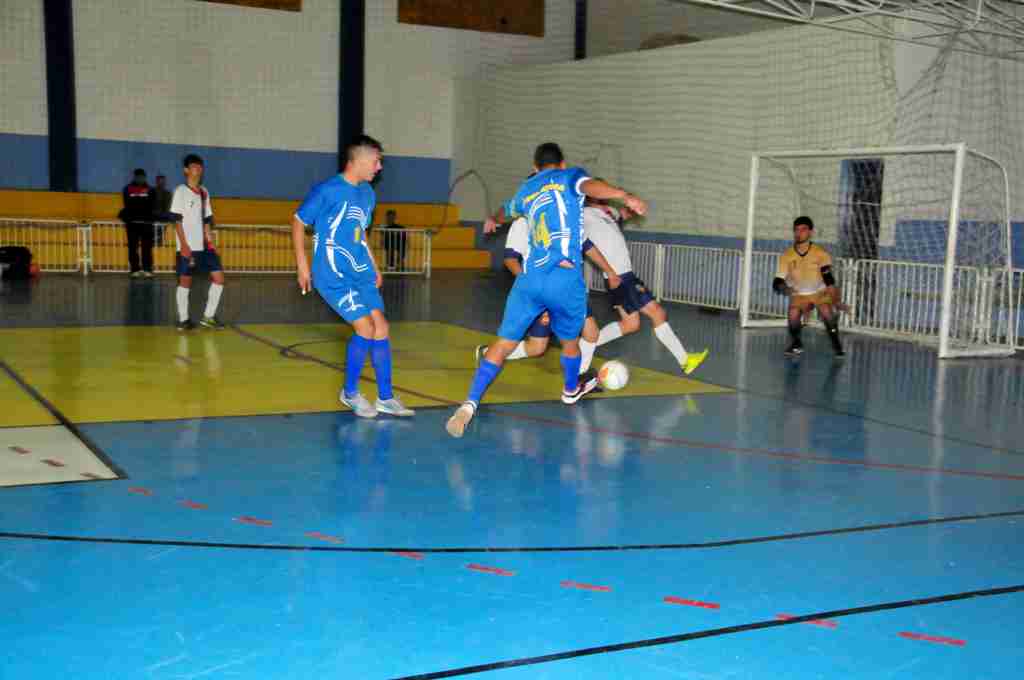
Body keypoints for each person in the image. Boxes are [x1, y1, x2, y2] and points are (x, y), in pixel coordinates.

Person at [446, 142, 645, 438]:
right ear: (562, 164)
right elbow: (592, 186)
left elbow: (504, 211)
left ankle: (469, 404)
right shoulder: (569, 177)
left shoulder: (527, 190)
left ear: (536, 168)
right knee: (570, 342)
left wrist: (492, 220)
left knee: (503, 344)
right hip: (564, 280)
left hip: (530, 279)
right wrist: (623, 195)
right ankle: (569, 389)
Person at [291, 135, 414, 419]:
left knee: (381, 327)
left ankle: (385, 398)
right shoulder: (328, 191)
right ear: (358, 161)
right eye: (376, 161)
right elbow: (298, 221)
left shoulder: (368, 193)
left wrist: (373, 265)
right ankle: (349, 393)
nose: (379, 167)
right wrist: (302, 264)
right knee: (366, 328)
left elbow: (360, 234)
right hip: (332, 273)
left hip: (360, 272)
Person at [474, 215, 611, 379]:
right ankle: (489, 353)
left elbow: (587, 245)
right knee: (537, 348)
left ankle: (578, 378)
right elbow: (510, 259)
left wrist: (610, 271)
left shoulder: (566, 217)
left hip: (567, 290)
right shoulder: (523, 222)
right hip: (539, 290)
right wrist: (530, 284)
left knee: (591, 332)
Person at [585, 198, 710, 375]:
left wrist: (631, 208)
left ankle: (586, 344)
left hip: (625, 275)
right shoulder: (584, 215)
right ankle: (685, 360)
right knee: (657, 312)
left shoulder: (609, 212)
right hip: (619, 276)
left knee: (631, 324)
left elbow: (621, 216)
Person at [772, 215, 846, 357]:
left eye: (803, 230)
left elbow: (828, 279)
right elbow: (777, 281)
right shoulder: (787, 255)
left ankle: (837, 344)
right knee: (793, 314)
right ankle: (796, 343)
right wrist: (785, 288)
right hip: (799, 294)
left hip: (819, 292)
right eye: (796, 230)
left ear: (810, 232)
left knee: (826, 312)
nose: (799, 233)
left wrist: (836, 301)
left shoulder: (821, 253)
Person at [168, 154, 226, 330]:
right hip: (188, 246)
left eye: (200, 166)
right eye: (194, 166)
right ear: (186, 170)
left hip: (205, 247)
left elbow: (207, 220)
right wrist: (184, 246)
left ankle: (208, 317)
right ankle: (183, 319)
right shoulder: (180, 191)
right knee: (185, 281)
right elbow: (177, 221)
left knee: (219, 278)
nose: (198, 169)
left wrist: (211, 242)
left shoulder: (204, 192)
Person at [121, 168, 155, 277]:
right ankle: (134, 269)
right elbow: (128, 204)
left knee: (147, 247)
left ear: (145, 177)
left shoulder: (150, 189)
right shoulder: (127, 189)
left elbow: (152, 205)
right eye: (138, 177)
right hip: (132, 223)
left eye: (142, 177)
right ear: (134, 177)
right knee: (132, 247)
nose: (140, 179)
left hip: (146, 223)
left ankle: (147, 269)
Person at [152, 173, 173, 246]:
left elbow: (168, 207)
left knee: (166, 218)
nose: (161, 183)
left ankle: (158, 240)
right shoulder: (152, 192)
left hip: (163, 216)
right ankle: (156, 239)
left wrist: (163, 213)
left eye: (163, 181)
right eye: (160, 181)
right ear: (156, 182)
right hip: (153, 215)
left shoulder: (168, 193)